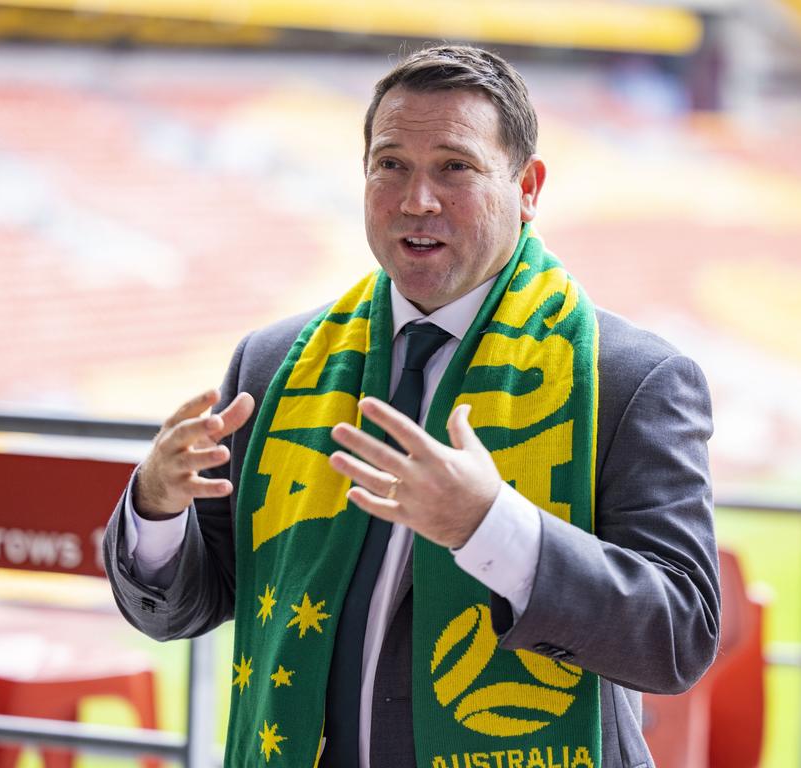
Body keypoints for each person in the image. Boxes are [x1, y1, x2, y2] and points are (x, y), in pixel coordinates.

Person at [104, 44, 719, 768]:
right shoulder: (272, 365)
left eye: (455, 167)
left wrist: (492, 529)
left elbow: (678, 637)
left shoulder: (632, 379)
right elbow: (189, 605)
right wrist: (156, 508)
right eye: (390, 164)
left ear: (527, 187)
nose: (416, 199)